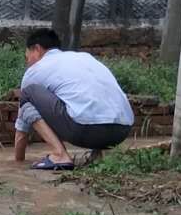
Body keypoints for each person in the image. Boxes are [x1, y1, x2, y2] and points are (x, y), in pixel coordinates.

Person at [10, 28, 134, 170]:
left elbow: (22, 128)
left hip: (85, 130)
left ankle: (59, 154)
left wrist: (17, 162)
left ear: (36, 49)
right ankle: (98, 156)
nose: (28, 63)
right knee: (78, 97)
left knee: (28, 92)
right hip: (122, 131)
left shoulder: (35, 71)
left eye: (27, 57)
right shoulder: (85, 58)